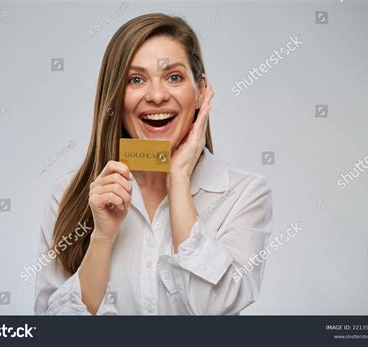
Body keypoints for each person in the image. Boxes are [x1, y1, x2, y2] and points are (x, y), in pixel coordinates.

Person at [34, 13, 273, 315]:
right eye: (136, 79)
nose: (157, 95)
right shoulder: (67, 195)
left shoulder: (246, 193)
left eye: (174, 77)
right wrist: (103, 236)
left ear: (200, 92)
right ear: (115, 98)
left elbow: (216, 308)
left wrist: (178, 181)